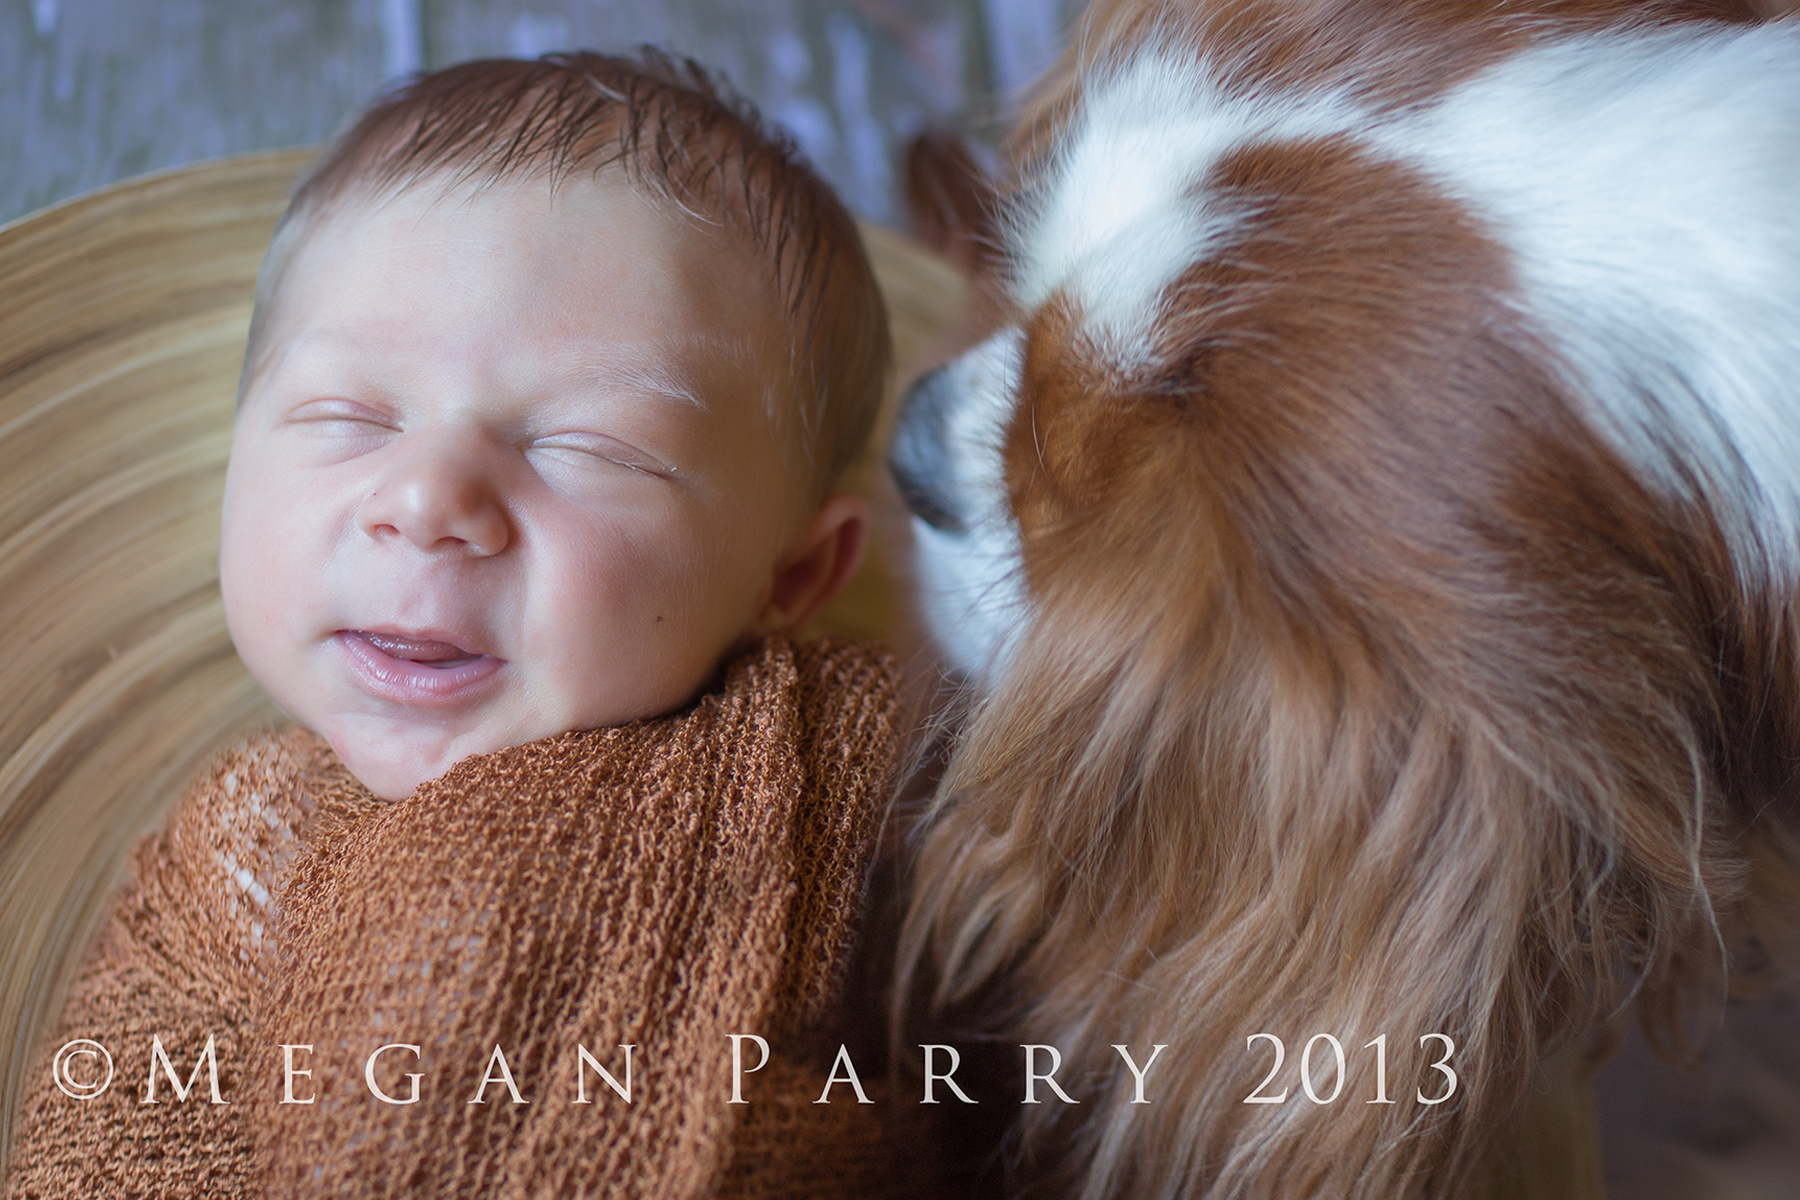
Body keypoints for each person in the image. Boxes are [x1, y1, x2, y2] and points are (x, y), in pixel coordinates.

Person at [5, 49, 922, 1199]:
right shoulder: (235, 856)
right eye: (348, 415)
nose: (429, 500)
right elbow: (104, 1132)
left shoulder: (874, 761)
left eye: (586, 447)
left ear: (791, 576)